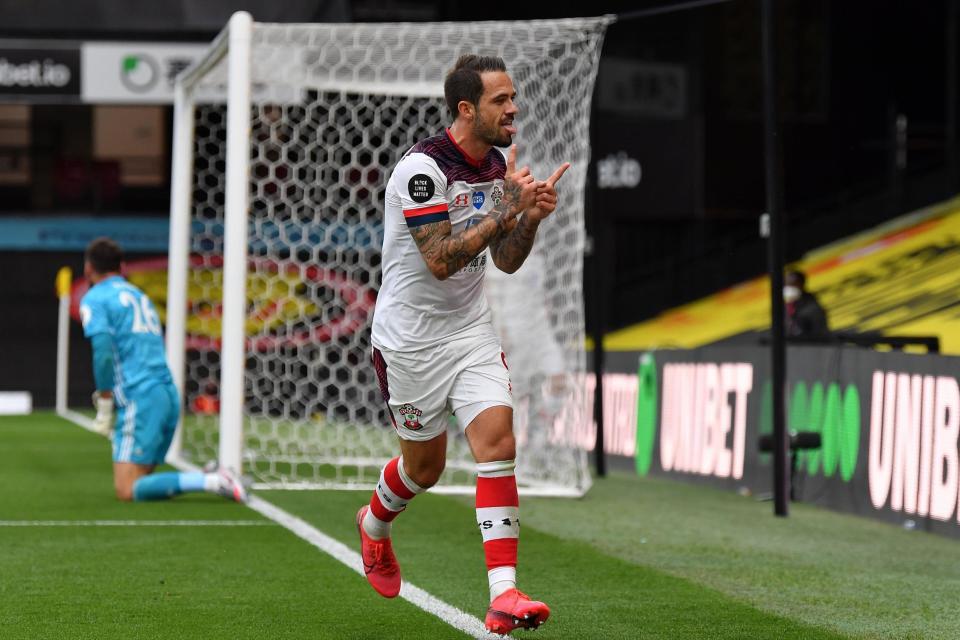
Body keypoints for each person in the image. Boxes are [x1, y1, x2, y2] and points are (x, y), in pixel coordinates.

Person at [360, 54, 569, 634]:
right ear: (466, 109)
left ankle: (504, 595)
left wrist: (529, 220)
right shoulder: (420, 171)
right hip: (408, 344)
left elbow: (503, 262)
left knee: (499, 441)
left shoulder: (499, 163)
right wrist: (507, 209)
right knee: (423, 469)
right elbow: (440, 261)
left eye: (513, 98)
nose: (514, 109)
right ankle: (374, 527)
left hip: (470, 331)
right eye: (502, 100)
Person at [80, 237, 246, 503]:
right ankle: (210, 475)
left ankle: (214, 480)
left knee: (127, 489)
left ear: (88, 268)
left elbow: (102, 352)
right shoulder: (139, 296)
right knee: (141, 480)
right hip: (166, 393)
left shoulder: (96, 299)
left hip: (140, 397)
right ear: (122, 267)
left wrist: (105, 397)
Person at [784, 269, 830, 338]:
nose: (788, 288)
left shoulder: (813, 308)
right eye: (787, 284)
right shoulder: (786, 306)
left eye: (793, 284)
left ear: (802, 285)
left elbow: (820, 336)